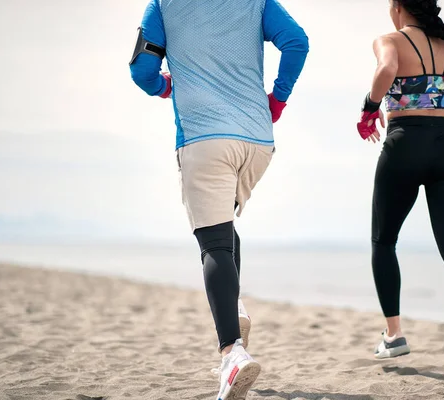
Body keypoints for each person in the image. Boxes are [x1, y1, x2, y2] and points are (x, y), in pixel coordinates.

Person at [129, 0, 309, 398]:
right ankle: (236, 309)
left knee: (212, 243)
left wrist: (164, 86)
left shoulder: (163, 5)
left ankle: (231, 353)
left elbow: (142, 70)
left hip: (204, 138)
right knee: (222, 229)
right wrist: (276, 100)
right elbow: (297, 42)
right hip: (257, 142)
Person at [356, 0, 444, 393]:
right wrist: (430, 96)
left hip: (404, 145)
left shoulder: (389, 39)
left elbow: (386, 71)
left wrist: (370, 108)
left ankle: (394, 335)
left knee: (383, 240)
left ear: (400, 6)